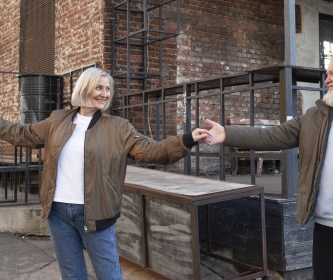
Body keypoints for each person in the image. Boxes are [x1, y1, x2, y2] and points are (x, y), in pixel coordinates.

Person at [203, 51, 333, 280]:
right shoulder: (314, 116)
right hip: (326, 227)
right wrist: (227, 134)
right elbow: (272, 136)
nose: (327, 80)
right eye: (327, 74)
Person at [0, 67, 210, 280]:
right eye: (98, 88)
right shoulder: (57, 120)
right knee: (71, 275)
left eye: (108, 89)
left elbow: (152, 151)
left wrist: (187, 139)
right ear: (84, 88)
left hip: (95, 212)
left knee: (109, 275)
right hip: (57, 210)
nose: (105, 94)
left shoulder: (118, 127)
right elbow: (22, 135)